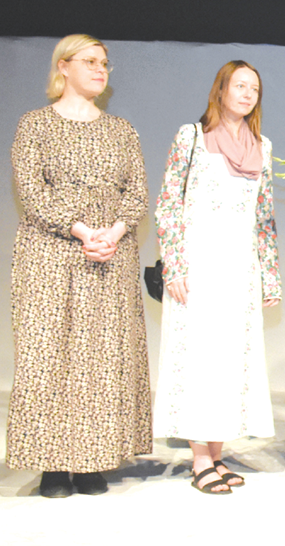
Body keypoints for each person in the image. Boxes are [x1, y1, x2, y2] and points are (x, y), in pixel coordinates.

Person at [6, 34, 151, 498]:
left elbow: (137, 192)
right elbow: (31, 191)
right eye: (90, 61)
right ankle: (53, 464)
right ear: (63, 66)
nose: (100, 69)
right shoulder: (35, 124)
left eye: (105, 63)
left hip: (110, 255)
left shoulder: (121, 130)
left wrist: (113, 232)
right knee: (50, 355)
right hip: (51, 254)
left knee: (101, 359)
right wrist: (82, 230)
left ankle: (93, 460)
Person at [153, 61, 281, 495]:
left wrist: (270, 277)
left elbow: (264, 218)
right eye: (239, 85)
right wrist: (174, 265)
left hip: (240, 269)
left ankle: (218, 451)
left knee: (230, 359)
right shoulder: (191, 137)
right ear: (221, 90)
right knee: (200, 358)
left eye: (254, 89)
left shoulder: (263, 145)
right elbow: (168, 203)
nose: (247, 94)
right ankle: (200, 459)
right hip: (198, 264)